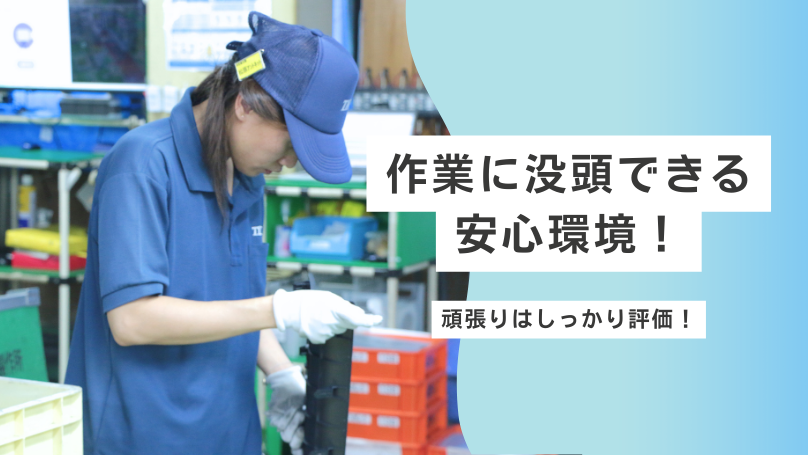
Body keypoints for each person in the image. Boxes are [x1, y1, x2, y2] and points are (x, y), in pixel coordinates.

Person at [65, 12, 380, 455]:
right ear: (244, 105)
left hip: (229, 433)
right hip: (145, 437)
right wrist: (279, 309)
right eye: (290, 143)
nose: (290, 161)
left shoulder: (248, 178)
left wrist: (280, 370)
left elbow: (230, 301)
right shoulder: (143, 165)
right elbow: (132, 319)